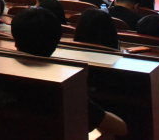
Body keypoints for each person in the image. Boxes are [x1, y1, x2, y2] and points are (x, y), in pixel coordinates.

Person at [12, 8, 129, 139]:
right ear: (56, 44)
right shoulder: (63, 89)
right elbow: (121, 128)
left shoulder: (2, 74)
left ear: (15, 42)